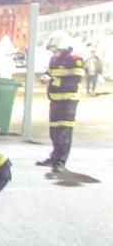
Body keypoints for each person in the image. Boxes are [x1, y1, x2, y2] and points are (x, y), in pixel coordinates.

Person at [37, 36, 85, 171]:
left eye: (56, 50)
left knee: (64, 131)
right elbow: (49, 73)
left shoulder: (75, 59)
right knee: (54, 131)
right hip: (55, 99)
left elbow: (76, 79)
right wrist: (45, 77)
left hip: (68, 100)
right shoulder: (54, 59)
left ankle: (60, 162)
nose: (54, 53)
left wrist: (52, 81)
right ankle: (54, 157)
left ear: (63, 48)